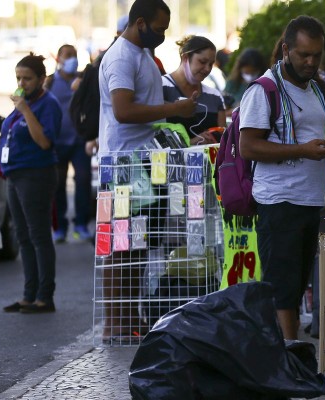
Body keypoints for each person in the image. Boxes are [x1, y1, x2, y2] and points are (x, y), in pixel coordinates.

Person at [238, 15, 325, 340]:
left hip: (310, 199)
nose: (311, 62)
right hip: (279, 201)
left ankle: (289, 354)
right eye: (303, 54)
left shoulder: (318, 88)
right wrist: (301, 150)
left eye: (316, 55)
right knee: (282, 287)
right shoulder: (264, 90)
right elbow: (248, 146)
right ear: (286, 49)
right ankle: (289, 354)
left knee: (298, 283)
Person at [98, 0, 195, 343]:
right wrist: (173, 108)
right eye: (159, 28)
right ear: (140, 23)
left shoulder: (141, 56)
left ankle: (130, 318)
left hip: (142, 162)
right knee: (121, 246)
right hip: (123, 165)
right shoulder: (122, 57)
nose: (163, 34)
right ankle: (115, 324)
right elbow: (123, 111)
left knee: (137, 244)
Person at [0, 53, 62, 314]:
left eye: (27, 78)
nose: (22, 83)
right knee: (22, 236)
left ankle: (44, 296)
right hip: (15, 174)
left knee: (38, 235)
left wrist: (24, 110)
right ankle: (29, 293)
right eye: (18, 78)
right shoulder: (23, 103)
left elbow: (44, 141)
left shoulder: (47, 104)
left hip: (36, 174)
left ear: (41, 79)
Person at [46, 44, 93, 243]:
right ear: (59, 59)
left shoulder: (82, 80)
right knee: (57, 185)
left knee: (82, 181)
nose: (72, 59)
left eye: (75, 55)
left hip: (79, 141)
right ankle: (60, 228)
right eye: (68, 55)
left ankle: (81, 224)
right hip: (57, 142)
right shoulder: (49, 82)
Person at [162, 35, 226, 143]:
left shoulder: (214, 96)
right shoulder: (160, 86)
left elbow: (224, 140)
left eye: (211, 64)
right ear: (185, 57)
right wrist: (192, 142)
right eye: (202, 62)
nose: (207, 69)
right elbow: (154, 136)